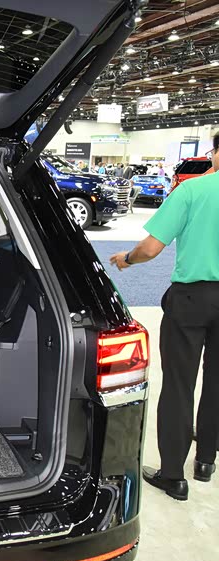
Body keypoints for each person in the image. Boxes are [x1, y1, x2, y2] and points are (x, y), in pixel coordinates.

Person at [109, 130, 219, 502]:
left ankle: (174, 475)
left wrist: (126, 259)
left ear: (215, 153)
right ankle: (206, 461)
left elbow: (151, 248)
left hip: (192, 298)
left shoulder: (191, 191)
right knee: (217, 382)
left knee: (178, 385)